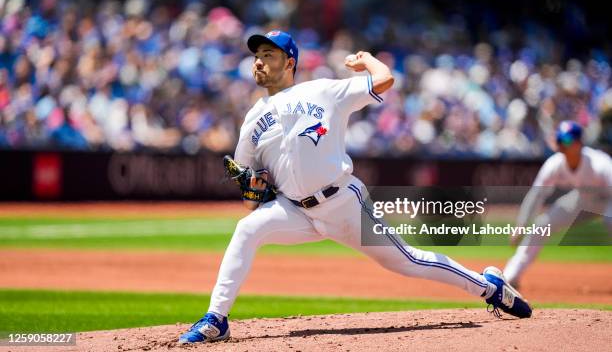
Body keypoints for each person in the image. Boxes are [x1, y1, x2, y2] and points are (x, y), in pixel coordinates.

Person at [179, 30, 532, 344]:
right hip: (295, 210)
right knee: (247, 229)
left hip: (342, 203)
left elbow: (385, 80)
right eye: (256, 56)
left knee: (408, 261)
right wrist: (252, 191)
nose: (258, 62)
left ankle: (488, 286)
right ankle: (216, 319)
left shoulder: (323, 90)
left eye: (267, 55)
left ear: (290, 62)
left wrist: (366, 60)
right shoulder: (253, 118)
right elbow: (249, 191)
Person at [503, 121, 612, 287]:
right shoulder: (555, 163)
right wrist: (521, 225)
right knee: (542, 225)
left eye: (566, 140)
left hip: (608, 200)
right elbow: (537, 195)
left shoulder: (600, 164)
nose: (562, 144)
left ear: (579, 143)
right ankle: (511, 275)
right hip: (583, 199)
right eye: (559, 140)